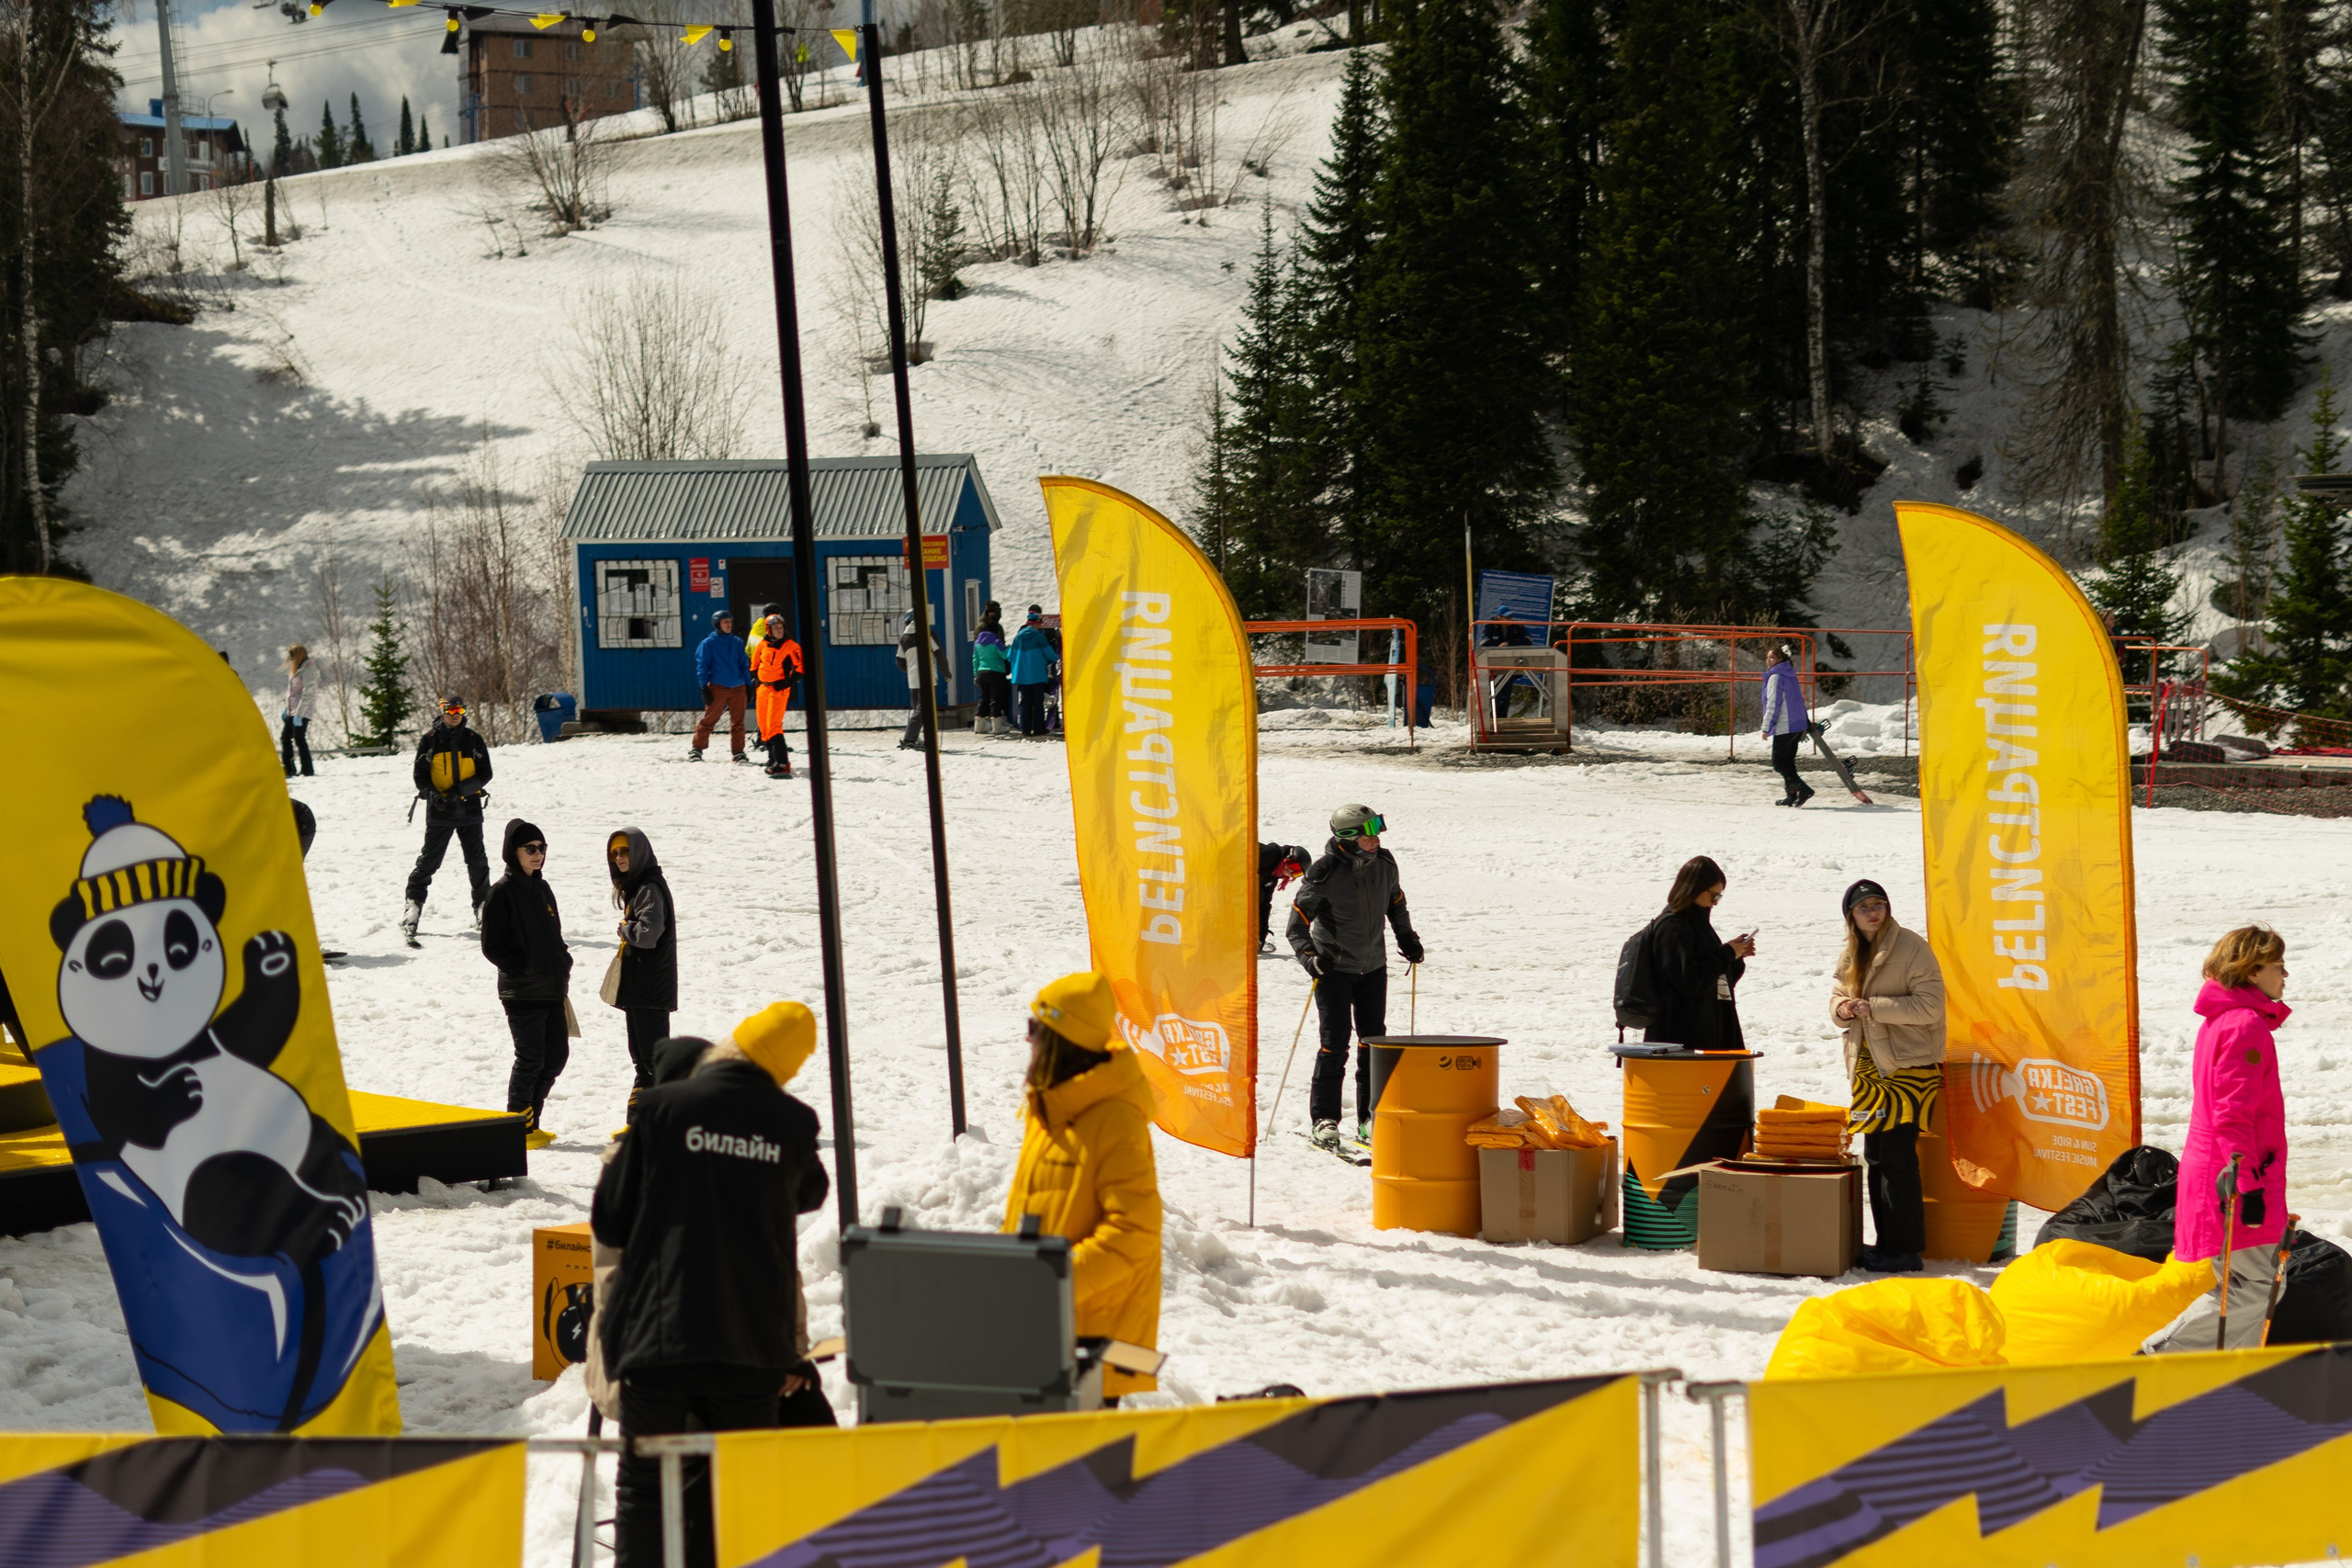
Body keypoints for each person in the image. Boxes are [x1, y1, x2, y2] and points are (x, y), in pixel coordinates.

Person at [594, 1002, 831, 1568]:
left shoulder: (661, 1107)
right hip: (749, 1342)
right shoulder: (791, 1122)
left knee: (646, 1491)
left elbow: (611, 1222)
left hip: (659, 1337)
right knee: (744, 1490)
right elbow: (810, 1195)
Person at [1002, 973, 1162, 1403]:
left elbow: (1136, 1231)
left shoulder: (1114, 1120)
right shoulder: (1051, 1106)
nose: (1026, 1039)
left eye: (1035, 1028)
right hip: (1043, 1327)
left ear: (1060, 1039)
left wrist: (1052, 1281)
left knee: (1080, 1465)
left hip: (1088, 1339)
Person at [2154, 926, 2291, 1353]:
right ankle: (2157, 1355)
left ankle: (2227, 1382)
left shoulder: (2228, 1020)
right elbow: (2232, 1114)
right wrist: (2247, 1186)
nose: (2285, 976)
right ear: (2252, 972)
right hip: (2233, 1175)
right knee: (2255, 1287)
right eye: (2278, 967)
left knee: (2251, 1285)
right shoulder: (2244, 1026)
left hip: (2234, 1169)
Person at [1288, 805, 1424, 1148]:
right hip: (1334, 969)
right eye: (1367, 834)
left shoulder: (1386, 864)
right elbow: (1297, 926)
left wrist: (1407, 937)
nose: (1375, 839)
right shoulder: (1324, 872)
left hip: (1373, 967)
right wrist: (1309, 958)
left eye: (1377, 832)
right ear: (1347, 837)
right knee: (1335, 1045)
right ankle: (1325, 1119)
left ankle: (1370, 1118)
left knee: (1374, 1044)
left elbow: (1395, 903)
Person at [1827, 878, 1944, 1273]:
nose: (1873, 911)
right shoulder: (1851, 952)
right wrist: (1842, 1010)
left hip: (1908, 1069)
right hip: (1869, 1068)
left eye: (1879, 903)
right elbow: (1836, 996)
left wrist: (1871, 1007)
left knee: (1896, 1158)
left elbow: (1931, 1007)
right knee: (1876, 1156)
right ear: (1852, 916)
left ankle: (1905, 1249)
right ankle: (1888, 1243)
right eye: (1865, 907)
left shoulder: (1912, 948)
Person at [481, 818, 573, 1148]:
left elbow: (555, 936)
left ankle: (531, 1122)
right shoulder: (502, 893)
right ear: (513, 852)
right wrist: (523, 967)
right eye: (530, 849)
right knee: (531, 1058)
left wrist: (563, 961)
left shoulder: (543, 888)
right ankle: (517, 1125)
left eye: (542, 848)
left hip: (551, 988)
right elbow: (492, 946)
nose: (538, 855)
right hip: (521, 992)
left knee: (555, 1057)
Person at [401, 694, 493, 946]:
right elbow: (420, 776)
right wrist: (433, 795)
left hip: (470, 810)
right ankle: (412, 908)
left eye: (459, 709)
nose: (455, 713)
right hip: (440, 813)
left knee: (477, 862)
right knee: (429, 861)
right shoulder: (429, 741)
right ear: (441, 712)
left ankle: (483, 909)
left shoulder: (473, 740)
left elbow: (486, 773)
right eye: (449, 709)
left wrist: (462, 790)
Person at [1643, 855, 1755, 1053]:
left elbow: (1717, 983)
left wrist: (1735, 956)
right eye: (1714, 896)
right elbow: (1690, 980)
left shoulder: (1699, 926)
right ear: (1694, 888)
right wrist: (1727, 953)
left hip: (1710, 1033)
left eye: (1719, 897)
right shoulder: (1673, 927)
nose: (1716, 903)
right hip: (1684, 1042)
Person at [607, 828, 677, 1104]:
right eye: (615, 853)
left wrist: (626, 929)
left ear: (639, 852)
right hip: (641, 991)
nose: (620, 858)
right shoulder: (640, 886)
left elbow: (649, 933)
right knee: (644, 1064)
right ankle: (639, 1126)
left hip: (650, 991)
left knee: (653, 1063)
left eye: (625, 851)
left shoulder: (648, 887)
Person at [690, 609, 752, 763]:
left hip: (738, 687)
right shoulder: (708, 644)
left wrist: (749, 685)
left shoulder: (737, 642)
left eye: (730, 621)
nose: (729, 624)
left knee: (738, 722)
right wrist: (704, 687)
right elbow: (702, 666)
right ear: (717, 624)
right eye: (725, 622)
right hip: (718, 686)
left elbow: (744, 665)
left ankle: (738, 752)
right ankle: (697, 748)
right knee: (709, 719)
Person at [749, 611, 803, 780]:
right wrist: (755, 681)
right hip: (762, 689)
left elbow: (800, 669)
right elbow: (754, 665)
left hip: (778, 690)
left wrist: (786, 683)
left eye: (781, 627)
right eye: (775, 628)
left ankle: (782, 764)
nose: (779, 630)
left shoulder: (791, 646)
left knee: (774, 725)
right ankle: (772, 760)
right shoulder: (762, 645)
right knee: (764, 728)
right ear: (768, 630)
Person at [1760, 646, 1815, 807]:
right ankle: (1791, 796)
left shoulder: (1776, 677)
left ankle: (1803, 789)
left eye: (1773, 657)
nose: (1769, 660)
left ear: (1781, 659)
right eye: (1768, 657)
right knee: (1788, 762)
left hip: (1785, 725)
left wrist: (1766, 727)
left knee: (1779, 763)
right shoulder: (1790, 675)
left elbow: (1773, 704)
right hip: (1797, 724)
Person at [897, 610, 944, 751]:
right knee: (923, 710)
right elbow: (939, 654)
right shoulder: (928, 635)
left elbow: (899, 661)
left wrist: (910, 668)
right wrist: (946, 673)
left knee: (918, 709)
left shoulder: (904, 638)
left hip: (912, 679)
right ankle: (909, 738)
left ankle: (915, 737)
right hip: (927, 678)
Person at [1008, 609, 1057, 738]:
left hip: (1022, 676)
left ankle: (1025, 729)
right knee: (1038, 702)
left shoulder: (1018, 637)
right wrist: (1055, 657)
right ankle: (1038, 728)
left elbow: (1010, 655)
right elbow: (1050, 655)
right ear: (1036, 624)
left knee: (1025, 702)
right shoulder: (1039, 637)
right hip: (1037, 675)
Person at [1256, 841, 1310, 955]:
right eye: (1293, 865)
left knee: (1259, 898)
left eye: (1296, 872)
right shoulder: (1267, 854)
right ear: (1287, 858)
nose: (1290, 872)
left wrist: (1260, 938)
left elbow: (1264, 907)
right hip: (1220, 876)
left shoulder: (1272, 877)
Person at [972, 606, 1012, 736]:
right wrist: (1009, 648)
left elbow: (975, 659)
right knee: (995, 698)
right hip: (996, 672)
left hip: (982, 672)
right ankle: (997, 727)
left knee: (983, 698)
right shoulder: (996, 642)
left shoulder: (977, 643)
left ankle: (978, 726)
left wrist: (975, 673)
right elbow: (1004, 655)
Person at [281, 644, 316, 778]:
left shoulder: (308, 670)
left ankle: (307, 769)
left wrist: (300, 714)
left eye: (292, 655)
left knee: (299, 738)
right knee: (286, 738)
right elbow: (292, 693)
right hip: (293, 710)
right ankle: (289, 768)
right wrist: (287, 709)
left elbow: (308, 693)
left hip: (302, 710)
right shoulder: (296, 670)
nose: (290, 659)